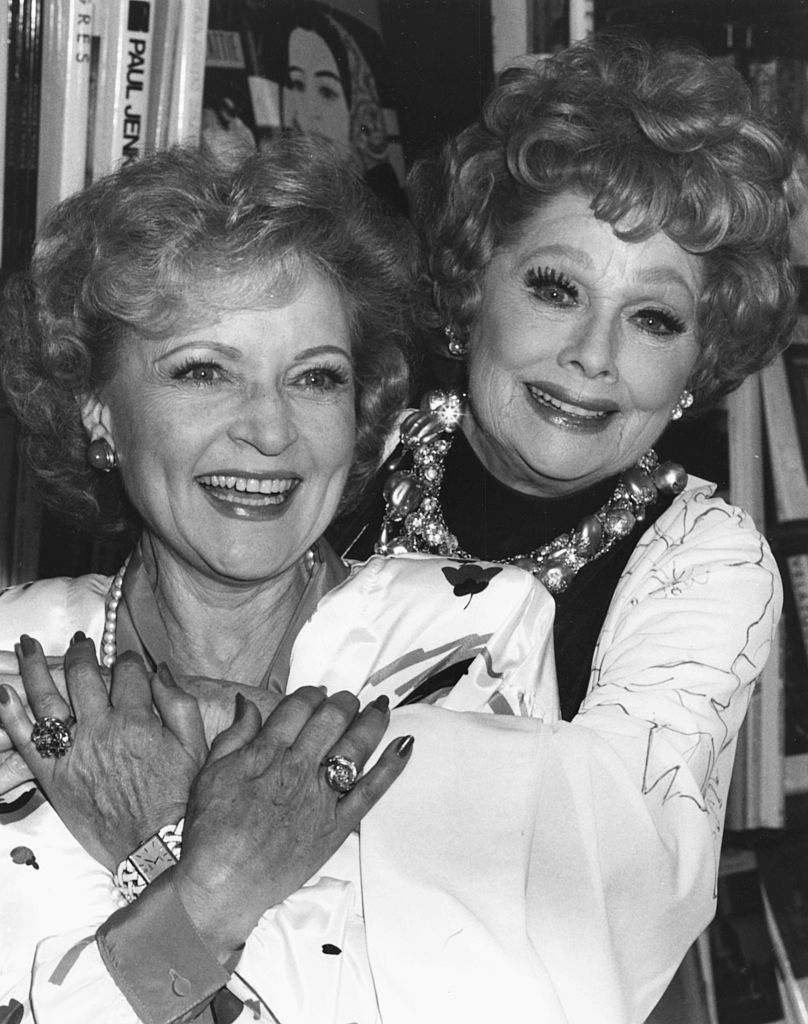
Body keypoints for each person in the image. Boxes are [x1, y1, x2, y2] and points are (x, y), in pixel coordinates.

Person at [0, 32, 795, 1024]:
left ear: (697, 363)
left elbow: (582, 912)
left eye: (653, 319)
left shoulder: (576, 607)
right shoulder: (357, 455)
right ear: (471, 288)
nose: (592, 355)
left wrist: (172, 820)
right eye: (556, 288)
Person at [0, 137, 559, 1024]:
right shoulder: (12, 661)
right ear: (96, 409)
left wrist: (159, 847)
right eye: (204, 370)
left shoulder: (462, 645)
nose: (269, 429)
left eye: (314, 378)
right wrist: (212, 887)